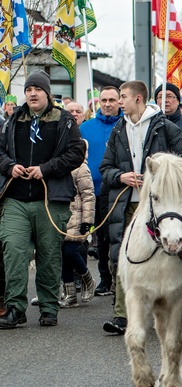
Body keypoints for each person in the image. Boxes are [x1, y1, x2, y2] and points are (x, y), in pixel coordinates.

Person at [100, 80, 182, 335]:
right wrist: (122, 176)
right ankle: (123, 315)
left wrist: (162, 173)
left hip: (161, 206)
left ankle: (167, 309)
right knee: (122, 253)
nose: (120, 101)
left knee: (165, 254)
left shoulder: (163, 125)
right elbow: (105, 168)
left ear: (138, 99)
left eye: (123, 96)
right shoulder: (119, 129)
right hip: (127, 203)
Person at [0, 70, 86, 328]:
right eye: (28, 90)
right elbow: (0, 151)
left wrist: (45, 169)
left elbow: (76, 153)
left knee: (49, 255)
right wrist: (9, 166)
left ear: (47, 93)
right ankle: (15, 307)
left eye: (37, 89)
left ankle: (49, 307)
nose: (32, 93)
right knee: (14, 251)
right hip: (15, 198)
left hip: (51, 200)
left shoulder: (65, 120)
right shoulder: (12, 120)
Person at [79, 86, 122, 296]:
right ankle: (98, 278)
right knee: (89, 237)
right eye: (103, 100)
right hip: (88, 192)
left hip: (114, 191)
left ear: (119, 102)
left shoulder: (124, 126)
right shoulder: (85, 128)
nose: (107, 104)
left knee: (108, 237)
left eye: (112, 100)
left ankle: (111, 279)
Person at [59, 140, 96, 308]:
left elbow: (88, 195)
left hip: (77, 218)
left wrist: (87, 222)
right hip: (62, 217)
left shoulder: (81, 169)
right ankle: (70, 294)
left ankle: (87, 278)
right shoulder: (61, 165)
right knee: (62, 255)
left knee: (70, 251)